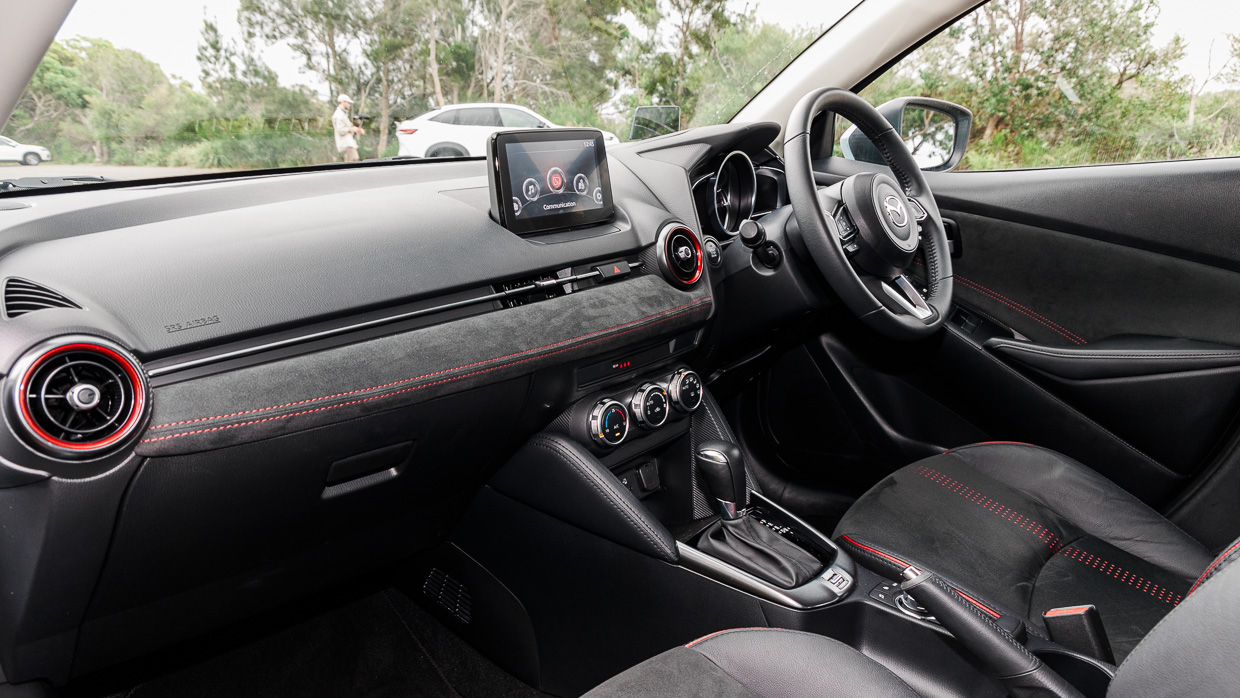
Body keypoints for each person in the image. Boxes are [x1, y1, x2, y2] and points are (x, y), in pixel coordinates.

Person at [332, 94, 365, 162]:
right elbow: (340, 130)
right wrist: (353, 129)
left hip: (348, 142)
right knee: (353, 159)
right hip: (345, 143)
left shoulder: (343, 114)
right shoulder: (338, 115)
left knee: (353, 160)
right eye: (348, 102)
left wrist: (356, 129)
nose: (349, 104)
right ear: (342, 102)